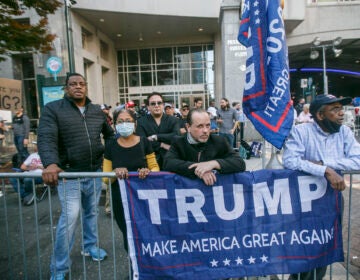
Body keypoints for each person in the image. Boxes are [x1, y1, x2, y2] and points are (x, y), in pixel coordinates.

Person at [37, 73, 114, 280]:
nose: (78, 87)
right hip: (69, 175)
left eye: (82, 84)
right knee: (70, 219)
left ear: (86, 87)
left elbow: (110, 136)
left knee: (91, 214)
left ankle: (90, 247)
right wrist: (51, 163)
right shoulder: (53, 109)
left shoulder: (97, 111)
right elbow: (46, 138)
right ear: (66, 88)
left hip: (94, 172)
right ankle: (59, 268)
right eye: (73, 84)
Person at [283, 94, 360, 280]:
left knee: (326, 245)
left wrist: (324, 164)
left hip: (331, 200)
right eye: (334, 109)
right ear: (320, 115)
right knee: (304, 247)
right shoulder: (301, 131)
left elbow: (357, 161)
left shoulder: (345, 132)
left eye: (341, 108)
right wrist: (325, 170)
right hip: (303, 201)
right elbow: (290, 161)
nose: (341, 113)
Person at [103, 108, 159, 252]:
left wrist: (148, 171)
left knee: (145, 233)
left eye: (128, 121)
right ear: (114, 124)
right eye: (120, 121)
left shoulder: (144, 142)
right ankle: (135, 270)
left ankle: (150, 269)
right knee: (128, 234)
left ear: (135, 124)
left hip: (143, 197)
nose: (124, 124)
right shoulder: (110, 145)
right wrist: (114, 173)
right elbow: (105, 178)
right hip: (120, 198)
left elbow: (155, 167)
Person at [163, 108, 246, 186]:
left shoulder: (219, 141)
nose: (205, 131)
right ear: (188, 127)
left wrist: (214, 163)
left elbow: (240, 163)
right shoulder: (179, 142)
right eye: (200, 126)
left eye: (208, 125)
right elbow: (168, 163)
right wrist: (199, 169)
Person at [136, 92, 180, 168]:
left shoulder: (173, 120)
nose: (156, 105)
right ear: (148, 107)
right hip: (149, 161)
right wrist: (162, 145)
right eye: (153, 103)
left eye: (159, 103)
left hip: (171, 160)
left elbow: (176, 137)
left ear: (163, 105)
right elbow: (142, 141)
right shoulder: (141, 122)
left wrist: (157, 137)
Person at [10, 142, 44, 206]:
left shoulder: (47, 156)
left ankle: (28, 196)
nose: (36, 147)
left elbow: (50, 168)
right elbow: (22, 167)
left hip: (40, 176)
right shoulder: (32, 155)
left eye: (37, 145)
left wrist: (38, 166)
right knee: (13, 178)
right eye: (36, 145)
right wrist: (30, 168)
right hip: (28, 173)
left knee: (27, 179)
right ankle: (26, 195)